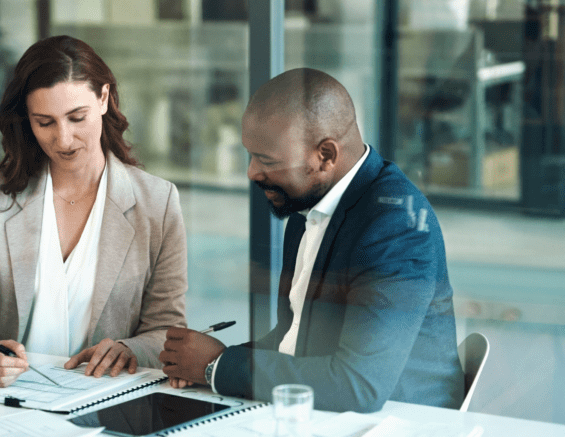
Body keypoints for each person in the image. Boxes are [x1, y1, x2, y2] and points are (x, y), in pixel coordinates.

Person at [160, 68, 463, 412]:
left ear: (326, 156)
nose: (252, 172)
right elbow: (294, 337)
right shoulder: (309, 207)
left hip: (400, 421)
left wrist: (218, 367)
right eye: (250, 154)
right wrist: (209, 362)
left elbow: (357, 386)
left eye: (267, 160)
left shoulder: (395, 229)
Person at [0, 35, 188, 387]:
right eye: (45, 122)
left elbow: (166, 329)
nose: (64, 139)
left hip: (106, 397)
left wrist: (129, 349)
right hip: (9, 395)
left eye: (76, 117)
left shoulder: (158, 202)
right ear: (27, 118)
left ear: (103, 99)